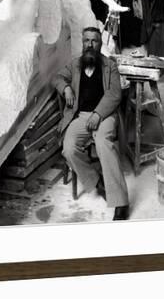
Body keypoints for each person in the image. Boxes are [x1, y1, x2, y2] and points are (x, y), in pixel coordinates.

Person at [54, 27, 130, 220]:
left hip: (104, 116)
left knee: (104, 143)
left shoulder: (109, 66)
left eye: (94, 41)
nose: (90, 44)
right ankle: (98, 183)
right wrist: (66, 89)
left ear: (99, 44)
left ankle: (120, 201)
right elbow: (58, 78)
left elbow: (115, 94)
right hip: (81, 116)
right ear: (83, 43)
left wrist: (98, 114)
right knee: (69, 148)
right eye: (86, 40)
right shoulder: (75, 65)